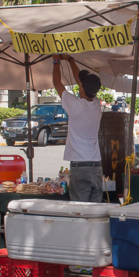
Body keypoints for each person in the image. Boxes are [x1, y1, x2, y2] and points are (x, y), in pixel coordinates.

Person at [52, 54, 103, 202]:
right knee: (95, 212)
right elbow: (81, 81)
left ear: (82, 88)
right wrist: (70, 60)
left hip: (80, 167)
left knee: (81, 211)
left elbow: (57, 83)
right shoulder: (96, 105)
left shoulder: (76, 106)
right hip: (96, 166)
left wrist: (56, 62)